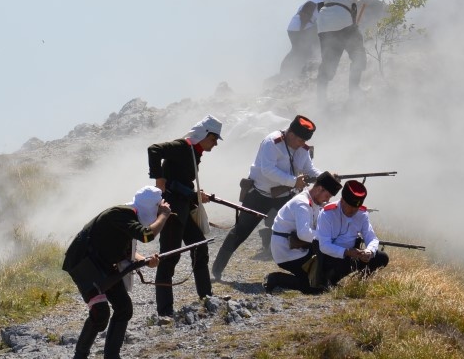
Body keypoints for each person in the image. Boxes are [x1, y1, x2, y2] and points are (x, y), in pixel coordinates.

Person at [63, 186, 171, 359]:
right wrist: (164, 215)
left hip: (102, 265)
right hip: (83, 264)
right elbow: (146, 235)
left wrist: (146, 260)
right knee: (100, 314)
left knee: (124, 308)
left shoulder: (128, 216)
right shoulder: (120, 214)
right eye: (157, 209)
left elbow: (128, 252)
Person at [211, 115, 320, 280]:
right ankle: (217, 270)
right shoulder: (272, 142)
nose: (302, 144)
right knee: (240, 232)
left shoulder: (302, 149)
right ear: (291, 135)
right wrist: (293, 181)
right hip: (259, 195)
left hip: (285, 196)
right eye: (300, 140)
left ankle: (306, 272)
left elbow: (309, 170)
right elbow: (267, 170)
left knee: (301, 232)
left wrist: (325, 177)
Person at [146, 115, 222, 317]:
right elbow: (154, 149)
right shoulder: (182, 146)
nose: (215, 144)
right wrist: (159, 179)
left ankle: (206, 297)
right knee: (169, 258)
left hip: (183, 208)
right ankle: (165, 311)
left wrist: (195, 195)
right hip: (171, 211)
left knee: (200, 247)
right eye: (213, 139)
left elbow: (181, 183)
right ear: (204, 134)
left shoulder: (194, 152)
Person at [264, 171, 343, 293]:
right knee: (311, 287)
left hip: (297, 248)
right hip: (287, 252)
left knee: (318, 281)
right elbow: (304, 233)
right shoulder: (302, 203)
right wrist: (329, 237)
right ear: (319, 189)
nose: (327, 200)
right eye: (327, 196)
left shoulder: (313, 202)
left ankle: (324, 280)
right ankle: (275, 279)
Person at [317, 0, 380, 103]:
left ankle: (321, 99)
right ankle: (354, 92)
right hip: (343, 22)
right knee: (359, 56)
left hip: (324, 24)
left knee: (328, 63)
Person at [315, 179, 389, 286]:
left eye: (356, 208)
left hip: (353, 255)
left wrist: (369, 251)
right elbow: (324, 246)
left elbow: (372, 238)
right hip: (331, 256)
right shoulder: (327, 213)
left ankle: (359, 283)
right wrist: (347, 252)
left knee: (381, 258)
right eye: (350, 207)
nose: (353, 211)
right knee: (335, 269)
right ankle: (327, 280)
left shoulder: (362, 214)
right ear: (342, 201)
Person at [279, 0, 325, 79]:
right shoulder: (324, 2)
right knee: (311, 49)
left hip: (292, 27)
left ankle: (285, 73)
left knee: (296, 50)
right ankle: (304, 72)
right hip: (304, 28)